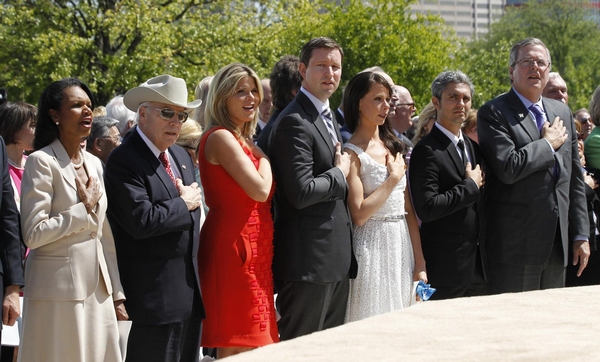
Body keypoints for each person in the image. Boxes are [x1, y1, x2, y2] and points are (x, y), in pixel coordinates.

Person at [18, 77, 126, 362]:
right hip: (57, 294)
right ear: (54, 115)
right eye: (77, 105)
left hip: (98, 292)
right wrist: (82, 210)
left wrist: (116, 291)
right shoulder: (41, 161)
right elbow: (33, 233)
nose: (87, 111)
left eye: (89, 105)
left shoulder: (94, 164)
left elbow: (104, 235)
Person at [104, 75, 205, 362]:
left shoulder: (180, 156)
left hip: (188, 297)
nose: (176, 121)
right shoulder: (125, 159)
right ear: (143, 113)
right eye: (167, 112)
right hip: (152, 302)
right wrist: (183, 204)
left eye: (181, 115)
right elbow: (142, 221)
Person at [477, 38, 589, 294]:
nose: (535, 68)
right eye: (527, 61)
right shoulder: (494, 112)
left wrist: (581, 234)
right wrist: (547, 145)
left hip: (558, 245)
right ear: (511, 70)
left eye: (541, 63)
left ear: (548, 70)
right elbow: (508, 167)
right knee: (517, 327)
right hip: (515, 246)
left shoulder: (561, 111)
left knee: (550, 326)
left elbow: (573, 180)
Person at [267, 37, 357, 340]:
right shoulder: (294, 120)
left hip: (334, 261)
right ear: (303, 70)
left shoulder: (327, 116)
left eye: (335, 67)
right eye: (321, 65)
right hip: (308, 263)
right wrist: (339, 173)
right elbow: (301, 192)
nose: (329, 73)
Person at [197, 63, 277, 358]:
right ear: (221, 99)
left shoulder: (242, 139)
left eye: (253, 90)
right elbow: (259, 189)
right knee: (237, 341)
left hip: (257, 249)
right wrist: (264, 158)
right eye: (240, 91)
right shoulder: (220, 137)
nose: (251, 98)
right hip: (233, 249)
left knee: (257, 345)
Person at [342, 71, 426, 321]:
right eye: (378, 99)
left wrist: (420, 263)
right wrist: (392, 179)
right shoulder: (352, 152)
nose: (386, 106)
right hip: (370, 246)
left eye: (388, 99)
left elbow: (408, 210)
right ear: (358, 102)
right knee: (372, 316)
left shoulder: (394, 146)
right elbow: (359, 213)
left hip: (401, 244)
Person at [409, 71, 487, 300]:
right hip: (445, 269)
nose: (460, 104)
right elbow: (428, 207)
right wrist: (470, 186)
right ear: (436, 102)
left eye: (466, 98)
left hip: (478, 268)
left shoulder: (473, 147)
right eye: (453, 97)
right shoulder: (426, 150)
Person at [256, 55, 302, 152]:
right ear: (296, 91)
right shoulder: (289, 126)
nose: (270, 105)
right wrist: (340, 167)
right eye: (265, 101)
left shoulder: (280, 122)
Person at [0, 102, 36, 209]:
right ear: (13, 131)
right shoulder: (3, 169)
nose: (39, 131)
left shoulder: (35, 162)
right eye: (33, 125)